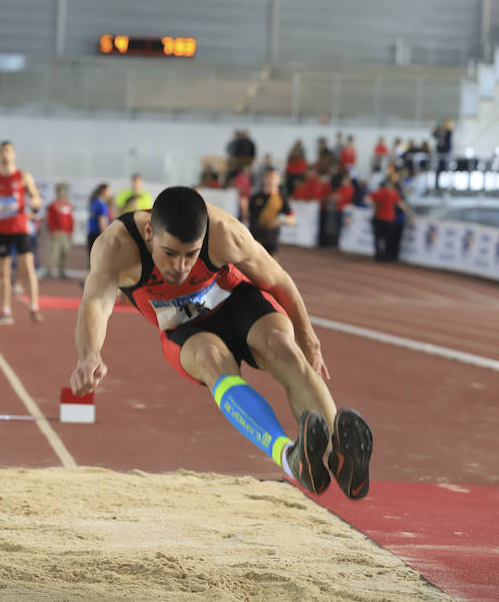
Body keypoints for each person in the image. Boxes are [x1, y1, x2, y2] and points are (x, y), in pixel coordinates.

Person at [71, 186, 373, 500]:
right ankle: (292, 459)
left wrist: (309, 339)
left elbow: (278, 279)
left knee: (284, 348)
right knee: (211, 360)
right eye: (170, 254)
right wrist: (89, 355)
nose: (181, 267)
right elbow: (95, 303)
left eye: (191, 254)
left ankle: (341, 454)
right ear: (149, 232)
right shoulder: (116, 245)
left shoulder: (224, 232)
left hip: (236, 301)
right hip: (183, 328)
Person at [0, 141, 43, 325]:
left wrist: (35, 202)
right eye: (1, 151)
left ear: (13, 154)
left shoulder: (23, 176)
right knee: (3, 271)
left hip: (21, 228)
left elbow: (36, 197)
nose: (4, 154)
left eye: (7, 151)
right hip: (2, 230)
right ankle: (6, 311)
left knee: (27, 267)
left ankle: (34, 306)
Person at [248, 167, 295, 259]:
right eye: (268, 177)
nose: (270, 180)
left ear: (278, 180)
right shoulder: (255, 197)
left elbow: (292, 219)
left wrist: (281, 220)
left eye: (273, 177)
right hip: (255, 240)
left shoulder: (281, 198)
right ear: (264, 179)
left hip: (271, 242)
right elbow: (247, 216)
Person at [365, 179, 414, 263]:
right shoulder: (394, 194)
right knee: (388, 239)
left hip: (379, 218)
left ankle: (378, 256)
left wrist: (373, 204)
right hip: (389, 219)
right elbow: (401, 204)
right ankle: (387, 256)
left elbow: (367, 199)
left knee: (378, 238)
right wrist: (410, 213)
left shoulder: (378, 193)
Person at [46, 183, 74, 278]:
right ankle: (49, 270)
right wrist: (52, 230)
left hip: (65, 233)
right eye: (60, 192)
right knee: (54, 252)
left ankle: (62, 271)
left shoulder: (68, 205)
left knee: (65, 252)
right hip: (57, 232)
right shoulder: (53, 205)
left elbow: (71, 219)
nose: (62, 194)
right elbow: (50, 219)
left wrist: (70, 231)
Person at [87, 183, 113, 260]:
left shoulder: (94, 202)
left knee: (92, 261)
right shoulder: (102, 205)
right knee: (100, 261)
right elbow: (102, 222)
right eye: (109, 191)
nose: (110, 193)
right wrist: (106, 237)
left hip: (91, 234)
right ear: (103, 191)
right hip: (98, 235)